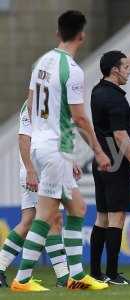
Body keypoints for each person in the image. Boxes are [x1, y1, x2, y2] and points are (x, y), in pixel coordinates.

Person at [11, 10, 111, 292]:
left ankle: (76, 276)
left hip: (44, 146)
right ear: (82, 35)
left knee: (77, 208)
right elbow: (79, 118)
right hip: (55, 149)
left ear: (58, 33)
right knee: (45, 215)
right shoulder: (73, 71)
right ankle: (22, 279)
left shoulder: (41, 62)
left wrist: (47, 130)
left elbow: (31, 105)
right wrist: (99, 152)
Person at [89, 24, 130, 285]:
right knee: (117, 217)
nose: (129, 70)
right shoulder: (116, 99)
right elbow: (120, 135)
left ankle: (95, 272)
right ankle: (113, 274)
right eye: (124, 67)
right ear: (115, 70)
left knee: (102, 217)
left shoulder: (98, 91)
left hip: (100, 161)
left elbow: (129, 64)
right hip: (116, 162)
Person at [0, 101, 72, 288]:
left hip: (42, 168)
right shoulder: (35, 103)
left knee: (29, 221)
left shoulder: (48, 99)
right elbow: (23, 138)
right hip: (38, 171)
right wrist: (30, 170)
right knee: (53, 218)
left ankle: (0, 268)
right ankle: (63, 277)